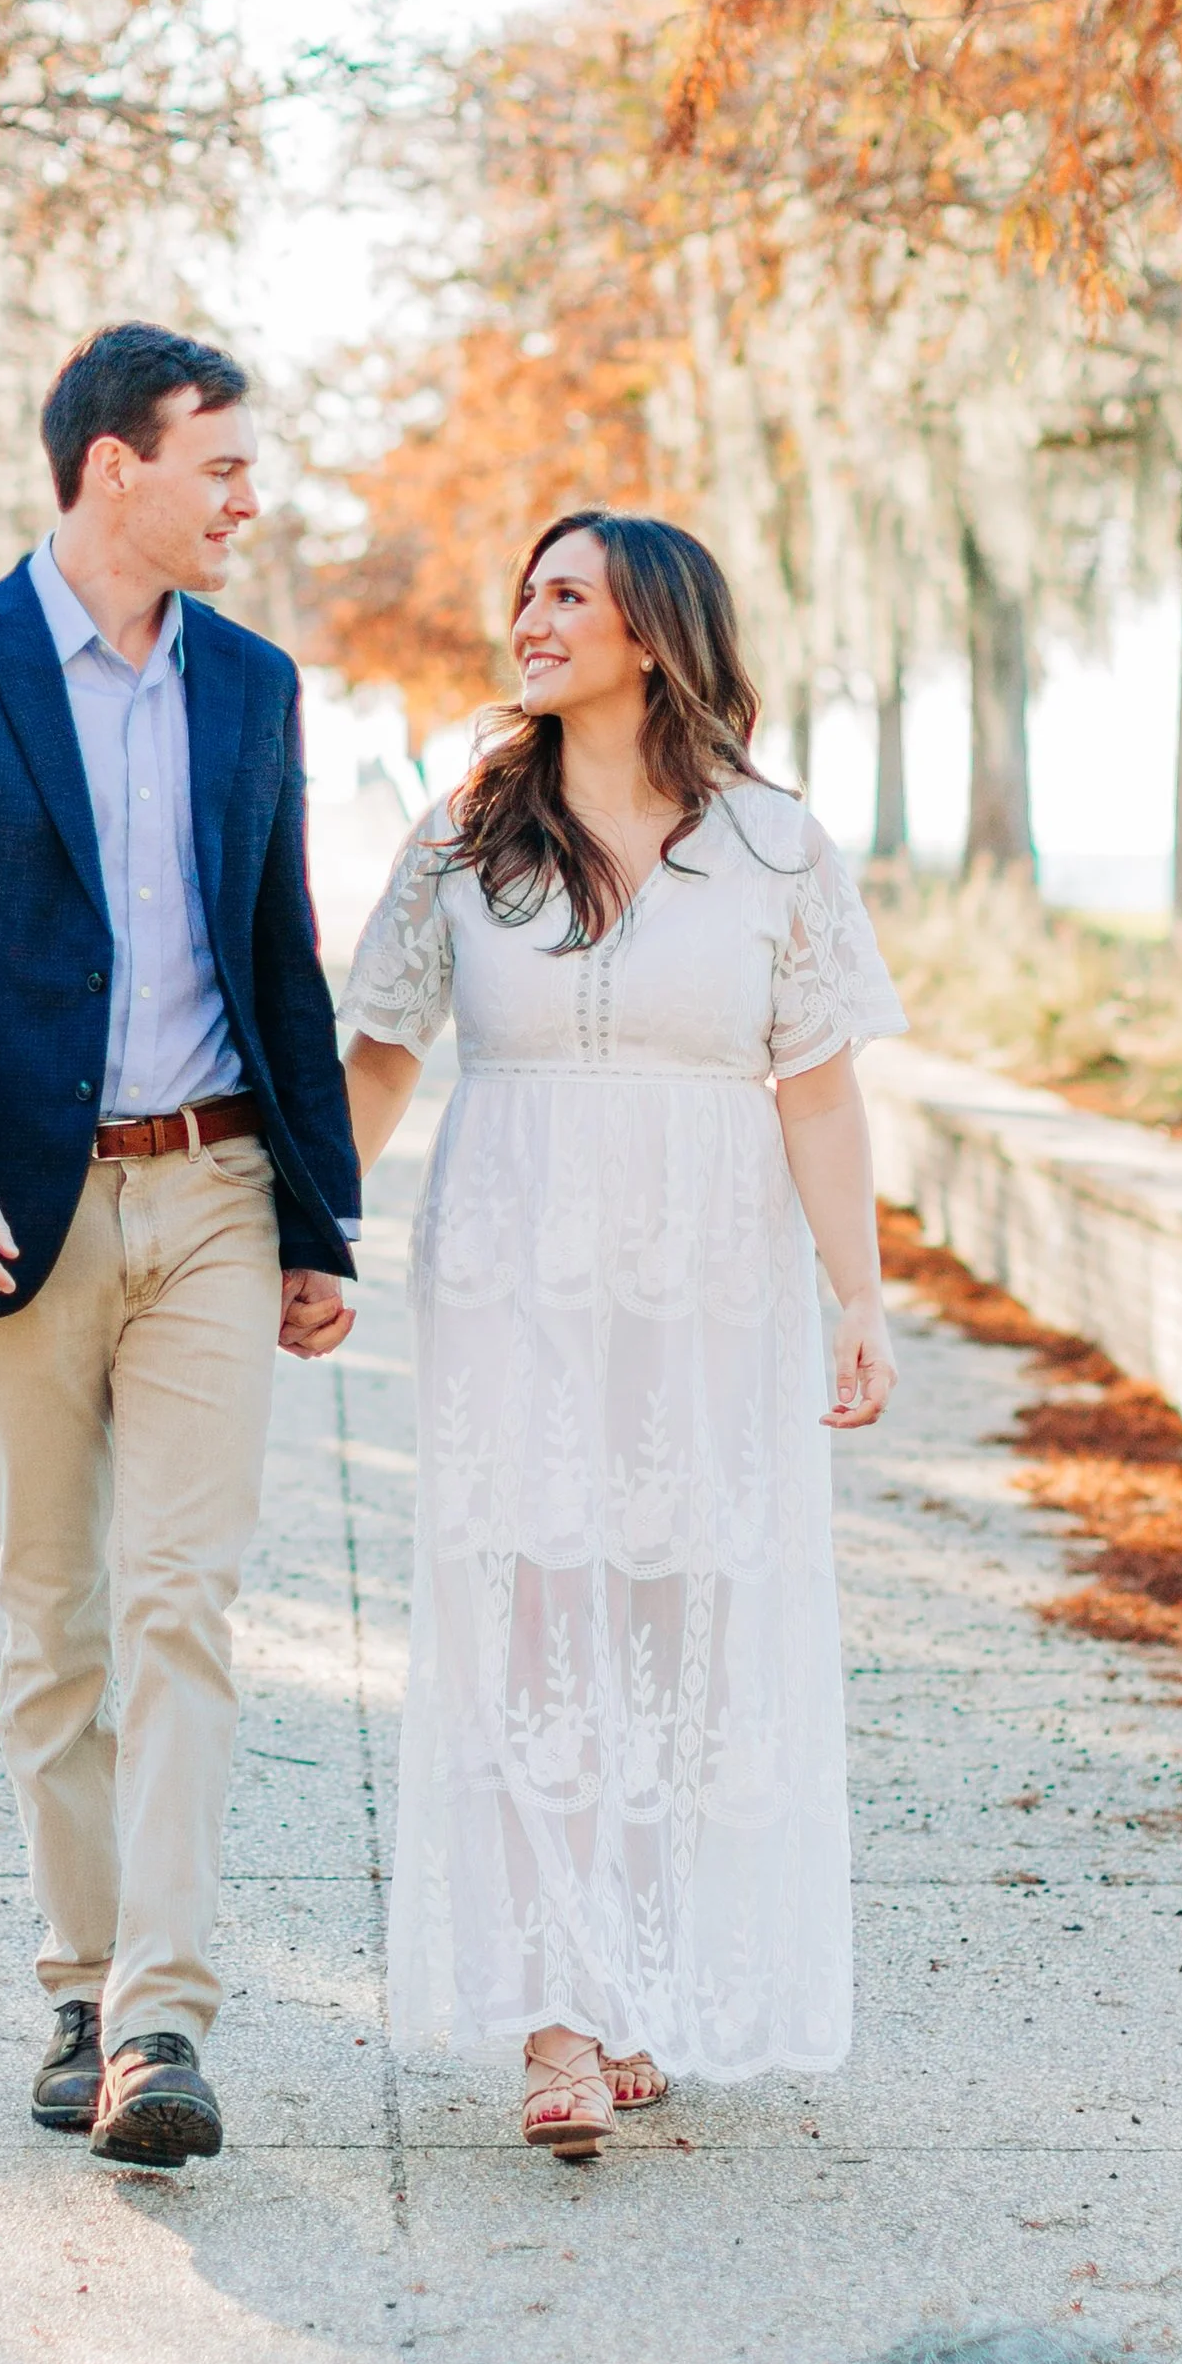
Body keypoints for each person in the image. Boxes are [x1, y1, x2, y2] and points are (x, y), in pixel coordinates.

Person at [0, 322, 361, 2169]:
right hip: (17, 1216)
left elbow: (278, 954)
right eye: (220, 464)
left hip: (211, 1187)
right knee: (50, 1614)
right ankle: (82, 1977)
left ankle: (163, 2026)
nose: (247, 498)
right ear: (111, 466)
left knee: (179, 1604)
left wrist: (317, 1217)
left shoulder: (257, 684)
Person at [338, 509, 905, 2161]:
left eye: (566, 593)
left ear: (651, 632)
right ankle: (558, 2018)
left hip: (712, 1278)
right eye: (525, 587)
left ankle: (636, 1969)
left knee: (679, 1628)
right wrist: (311, 1227)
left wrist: (855, 1293)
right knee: (531, 1622)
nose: (529, 613)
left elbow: (817, 1085)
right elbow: (377, 1050)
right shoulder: (460, 839)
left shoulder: (778, 847)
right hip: (514, 1265)